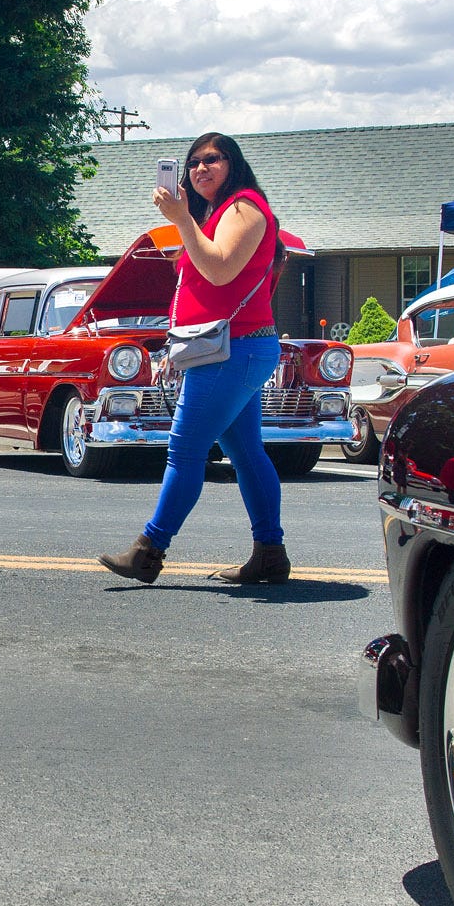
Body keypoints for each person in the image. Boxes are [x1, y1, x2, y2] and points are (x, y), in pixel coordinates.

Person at [97, 132, 290, 586]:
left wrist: (183, 219)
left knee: (185, 450)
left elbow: (220, 268)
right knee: (245, 452)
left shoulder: (244, 206)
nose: (201, 168)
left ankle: (148, 552)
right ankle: (270, 554)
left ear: (233, 164)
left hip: (232, 350)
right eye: (194, 162)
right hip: (233, 349)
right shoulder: (219, 213)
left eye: (213, 159)